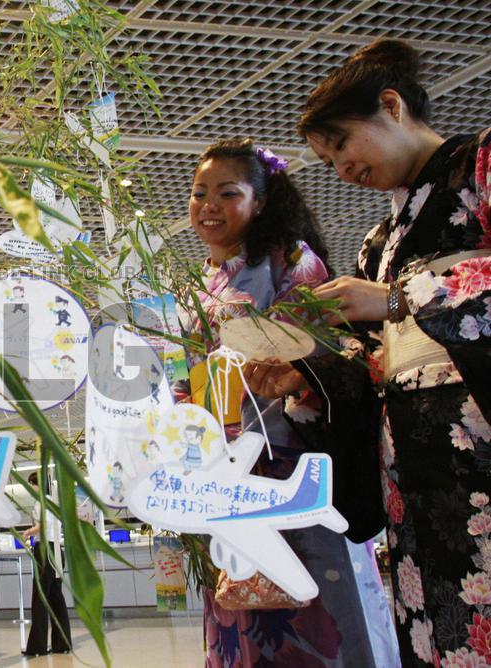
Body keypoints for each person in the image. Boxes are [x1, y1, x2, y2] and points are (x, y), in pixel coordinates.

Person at [246, 38, 490, 666]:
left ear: (391, 106)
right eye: (328, 162)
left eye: (343, 145)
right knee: (430, 619)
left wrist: (398, 298)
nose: (342, 169)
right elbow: (372, 355)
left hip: (478, 439)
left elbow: (397, 309)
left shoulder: (480, 168)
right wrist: (307, 373)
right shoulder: (377, 242)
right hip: (411, 460)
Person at [182, 138, 398, 666]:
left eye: (227, 193)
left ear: (260, 201)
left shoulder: (293, 262)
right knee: (240, 597)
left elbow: (325, 354)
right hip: (223, 465)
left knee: (314, 601)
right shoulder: (199, 283)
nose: (208, 205)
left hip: (289, 459)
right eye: (199, 192)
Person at [21, 471, 71, 657]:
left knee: (40, 598)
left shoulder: (41, 501)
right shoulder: (54, 501)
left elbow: (43, 525)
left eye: (31, 485)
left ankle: (37, 647)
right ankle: (62, 643)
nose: (31, 488)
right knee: (56, 597)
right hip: (57, 550)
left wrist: (28, 532)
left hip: (45, 551)